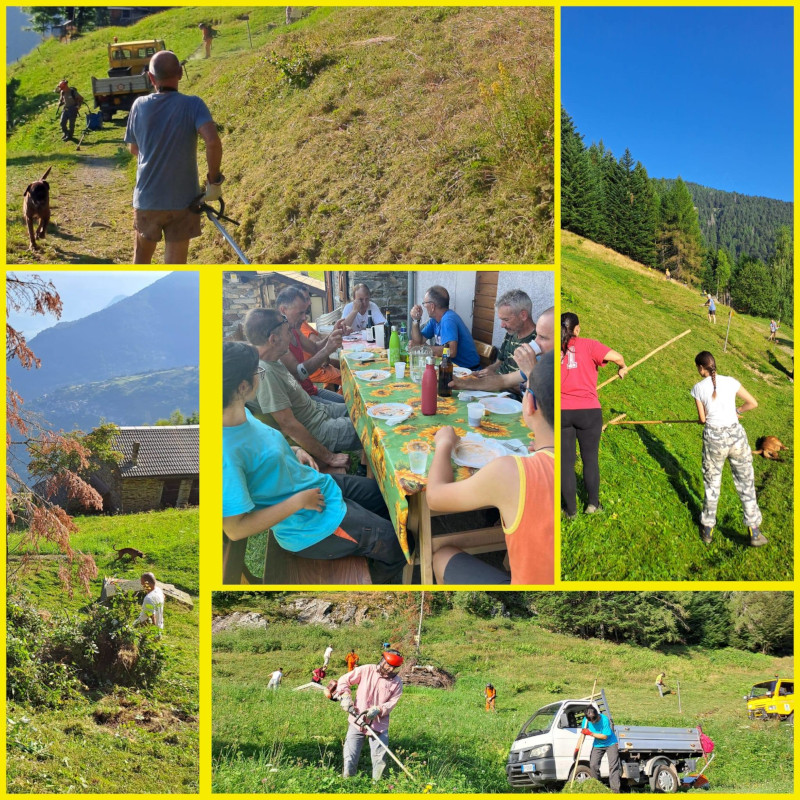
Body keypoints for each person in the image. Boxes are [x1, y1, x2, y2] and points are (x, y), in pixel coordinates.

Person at [222, 341, 409, 583]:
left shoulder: (241, 414)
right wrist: (298, 502)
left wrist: (292, 450)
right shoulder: (225, 452)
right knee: (397, 545)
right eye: (258, 371)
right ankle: (370, 583)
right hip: (307, 523)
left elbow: (258, 451)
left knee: (384, 495)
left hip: (316, 486)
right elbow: (235, 529)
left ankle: (370, 541)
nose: (262, 375)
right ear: (243, 386)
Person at [427, 351, 555, 585]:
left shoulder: (511, 472)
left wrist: (444, 443)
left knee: (442, 553)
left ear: (530, 403)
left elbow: (434, 497)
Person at [124, 50, 223, 264]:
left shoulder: (138, 106)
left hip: (148, 199)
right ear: (180, 73)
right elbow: (213, 141)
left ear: (150, 78)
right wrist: (213, 181)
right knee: (176, 267)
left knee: (141, 262)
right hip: (184, 202)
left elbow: (134, 149)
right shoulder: (194, 105)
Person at [244, 308, 361, 471]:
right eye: (287, 333)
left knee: (368, 409)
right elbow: (288, 425)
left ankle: (367, 465)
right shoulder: (265, 374)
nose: (291, 336)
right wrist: (329, 457)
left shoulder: (273, 359)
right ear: (273, 339)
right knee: (376, 428)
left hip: (322, 412)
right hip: (320, 429)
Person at [691, 351, 766, 546]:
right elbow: (753, 403)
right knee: (745, 482)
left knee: (712, 484)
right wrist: (736, 410)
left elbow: (702, 419)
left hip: (714, 439)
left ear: (701, 368)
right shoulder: (731, 381)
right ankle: (754, 531)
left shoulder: (698, 388)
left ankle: (707, 529)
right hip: (736, 438)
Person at [561, 312, 628, 518]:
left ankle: (570, 511)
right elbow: (617, 356)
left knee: (566, 463)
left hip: (562, 411)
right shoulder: (589, 345)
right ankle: (592, 505)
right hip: (588, 411)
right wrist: (622, 367)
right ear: (577, 329)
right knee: (590, 459)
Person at [333, 649, 404, 781]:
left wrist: (379, 709)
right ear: (382, 661)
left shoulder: (397, 682)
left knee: (379, 757)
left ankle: (378, 785)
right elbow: (344, 680)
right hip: (357, 719)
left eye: (393, 667)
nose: (389, 669)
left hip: (378, 724)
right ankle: (348, 782)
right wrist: (345, 695)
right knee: (350, 754)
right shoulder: (367, 670)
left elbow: (393, 702)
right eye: (387, 665)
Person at [450, 306, 555, 394]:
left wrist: (531, 373)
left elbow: (544, 408)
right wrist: (461, 383)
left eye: (543, 337)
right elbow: (504, 380)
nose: (536, 342)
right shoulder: (542, 359)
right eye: (537, 335)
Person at [275, 287, 345, 404]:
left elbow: (315, 348)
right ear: (283, 310)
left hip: (311, 390)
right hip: (302, 399)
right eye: (300, 313)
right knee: (351, 411)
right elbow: (298, 373)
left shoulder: (294, 329)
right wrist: (327, 349)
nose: (304, 317)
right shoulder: (278, 339)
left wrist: (333, 332)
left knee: (349, 404)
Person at [410, 285, 480, 369]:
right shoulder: (435, 320)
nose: (424, 306)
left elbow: (451, 351)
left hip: (467, 371)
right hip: (450, 367)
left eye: (424, 303)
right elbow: (419, 341)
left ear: (432, 306)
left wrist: (424, 349)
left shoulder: (448, 320)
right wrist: (415, 320)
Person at [580, 705, 621, 793]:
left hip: (611, 743)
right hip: (597, 745)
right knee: (593, 765)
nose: (593, 722)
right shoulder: (586, 720)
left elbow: (604, 737)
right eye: (591, 721)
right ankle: (598, 787)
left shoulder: (604, 719)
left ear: (597, 715)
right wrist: (577, 748)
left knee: (613, 766)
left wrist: (590, 733)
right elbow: (582, 735)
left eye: (594, 720)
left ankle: (615, 791)